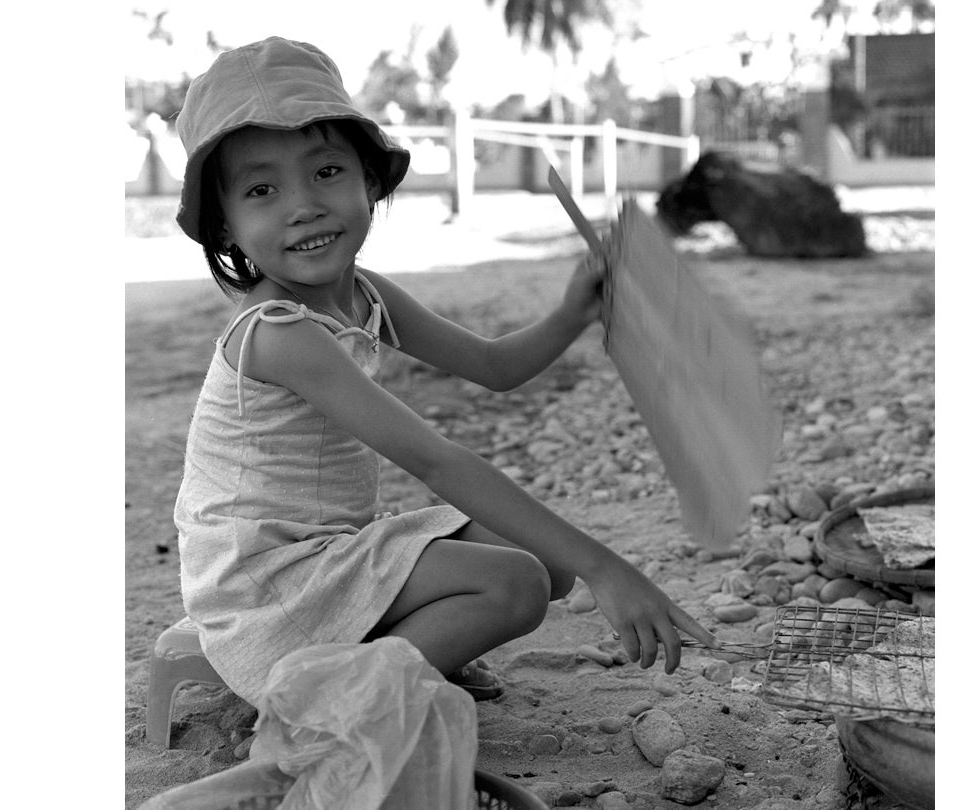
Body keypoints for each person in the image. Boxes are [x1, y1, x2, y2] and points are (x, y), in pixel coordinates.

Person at [172, 36, 717, 707]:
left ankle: (398, 653)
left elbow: (493, 366)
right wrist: (609, 569)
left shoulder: (362, 293)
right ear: (225, 228)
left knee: (547, 564)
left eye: (326, 172)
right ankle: (334, 701)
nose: (303, 205)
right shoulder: (279, 335)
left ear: (369, 180)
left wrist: (577, 312)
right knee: (515, 584)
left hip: (330, 553)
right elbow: (439, 462)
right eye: (261, 189)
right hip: (268, 591)